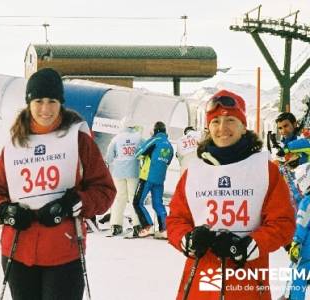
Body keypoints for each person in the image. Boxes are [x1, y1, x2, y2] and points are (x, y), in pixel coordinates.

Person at [0, 68, 116, 300]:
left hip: (63, 252)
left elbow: (104, 190)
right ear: (29, 103)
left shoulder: (78, 139)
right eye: (39, 101)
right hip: (18, 249)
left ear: (61, 102)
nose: (46, 109)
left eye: (52, 101)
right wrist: (5, 210)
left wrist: (75, 203)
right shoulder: (15, 143)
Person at [166, 89, 295, 299]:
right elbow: (176, 219)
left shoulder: (265, 170)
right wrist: (187, 238)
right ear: (208, 127)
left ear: (244, 127)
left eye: (231, 120)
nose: (222, 128)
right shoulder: (194, 172)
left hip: (247, 283)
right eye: (215, 121)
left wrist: (247, 246)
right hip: (201, 281)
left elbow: (283, 223)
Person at [133, 121, 174, 238]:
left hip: (147, 177)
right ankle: (164, 229)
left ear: (155, 131)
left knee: (137, 202)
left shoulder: (154, 140)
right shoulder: (170, 146)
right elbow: (168, 161)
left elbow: (138, 153)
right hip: (160, 179)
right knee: (158, 204)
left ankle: (147, 226)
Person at [105, 116, 143, 236]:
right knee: (134, 198)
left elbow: (109, 157)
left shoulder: (116, 138)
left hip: (118, 172)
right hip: (134, 172)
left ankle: (116, 225)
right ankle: (137, 225)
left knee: (119, 198)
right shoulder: (139, 138)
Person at [288, 162, 310, 300]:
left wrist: (296, 243)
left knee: (298, 276)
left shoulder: (307, 202)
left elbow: (301, 225)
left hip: (307, 250)